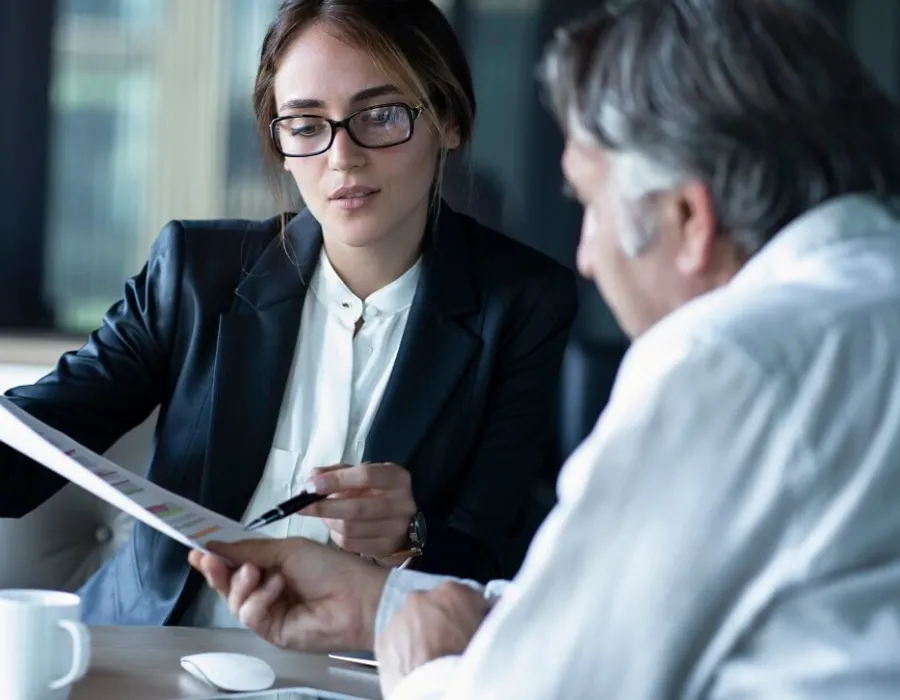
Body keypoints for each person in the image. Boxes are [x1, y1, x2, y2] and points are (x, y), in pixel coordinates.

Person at [191, 0, 900, 697]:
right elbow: (629, 615)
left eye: (590, 205)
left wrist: (423, 670)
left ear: (689, 218)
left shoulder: (728, 361)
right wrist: (383, 604)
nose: (586, 256)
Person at [0, 0, 577, 627]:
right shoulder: (195, 271)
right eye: (305, 125)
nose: (342, 158)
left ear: (449, 120)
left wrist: (410, 536)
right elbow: (32, 447)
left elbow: (499, 558)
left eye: (380, 115)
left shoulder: (522, 303)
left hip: (358, 671)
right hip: (153, 653)